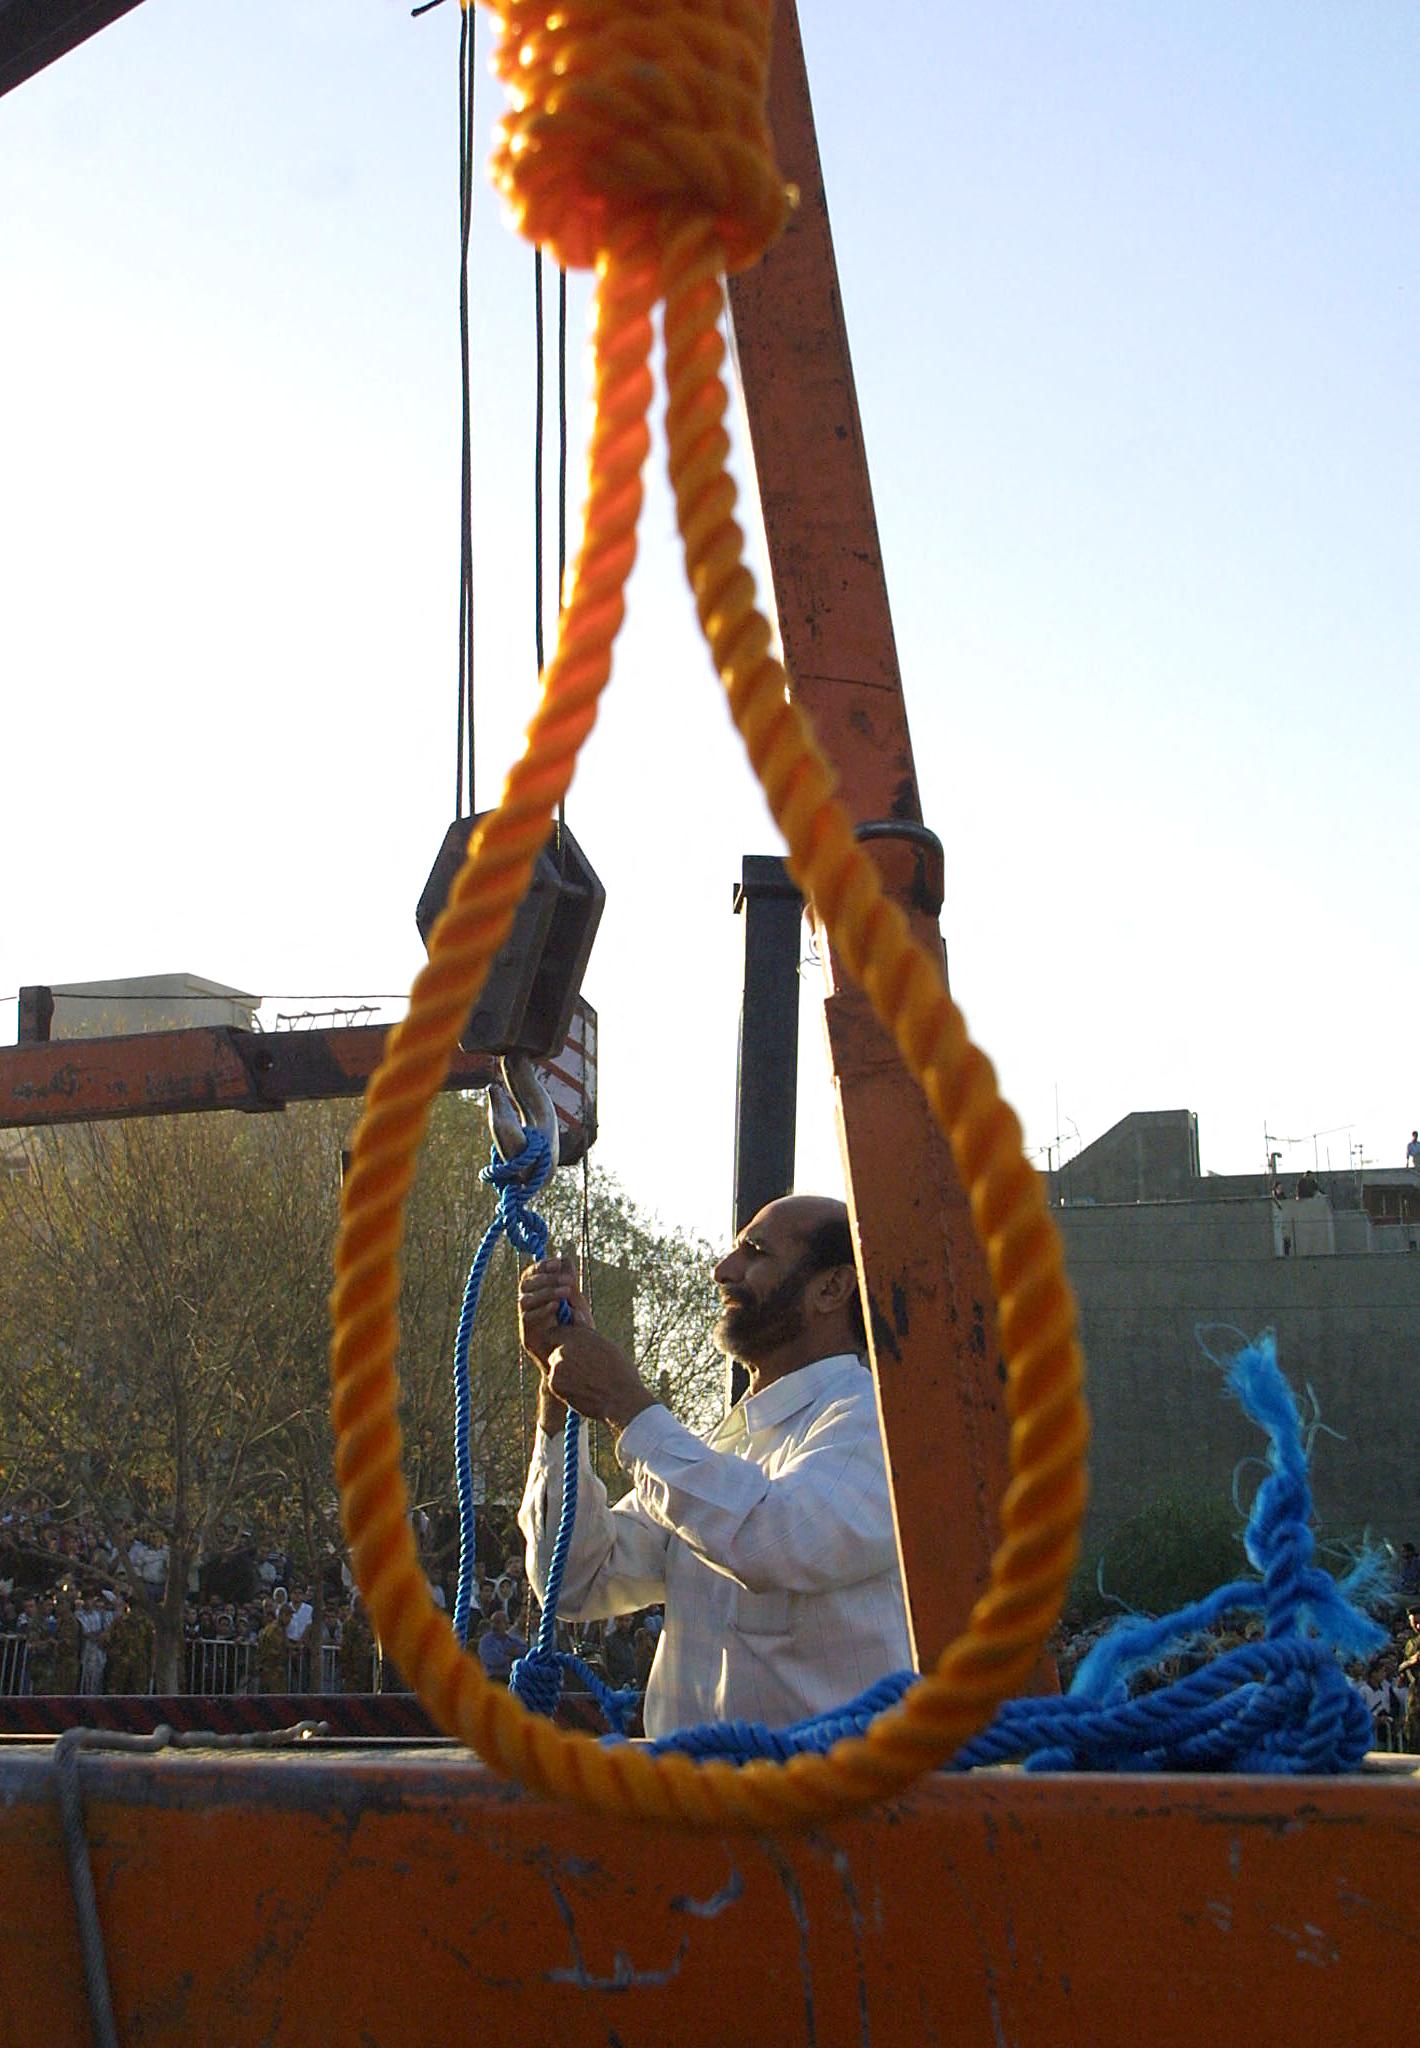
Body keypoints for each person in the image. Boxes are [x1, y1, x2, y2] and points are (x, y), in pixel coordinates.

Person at [517, 1193, 911, 1740]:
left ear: (831, 1288)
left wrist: (626, 1405)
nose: (723, 1270)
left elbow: (773, 1542)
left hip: (822, 1813)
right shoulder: (721, 1456)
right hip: (696, 1809)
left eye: (754, 1251)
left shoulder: (875, 1424)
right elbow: (577, 1582)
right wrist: (557, 1389)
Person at [477, 1608, 526, 1684]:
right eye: (492, 1622)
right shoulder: (486, 1641)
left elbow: (524, 1649)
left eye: (498, 1622)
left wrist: (508, 1653)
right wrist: (511, 1656)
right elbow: (494, 1660)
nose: (494, 1625)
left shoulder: (512, 1639)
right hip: (492, 1679)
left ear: (506, 1625)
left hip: (510, 1678)